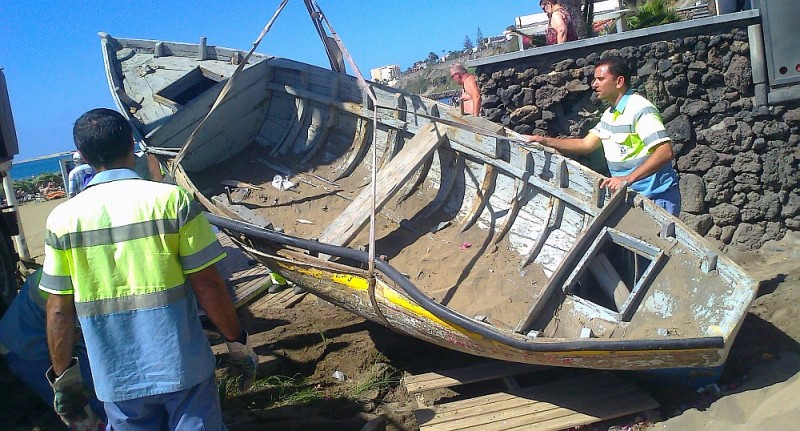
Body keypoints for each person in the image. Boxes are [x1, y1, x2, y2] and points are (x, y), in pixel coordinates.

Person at [41, 108, 258, 430]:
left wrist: (64, 379)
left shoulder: (62, 219)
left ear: (83, 156)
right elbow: (208, 285)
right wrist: (236, 342)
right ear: (132, 144)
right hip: (183, 366)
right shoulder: (173, 201)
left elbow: (59, 309)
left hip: (117, 377)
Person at [524, 56, 681, 215]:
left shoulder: (640, 110)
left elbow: (665, 152)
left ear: (619, 82)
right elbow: (586, 145)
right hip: (632, 199)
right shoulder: (609, 115)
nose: (594, 84)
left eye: (600, 79)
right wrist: (544, 141)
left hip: (657, 199)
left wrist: (627, 178)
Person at [0, 269, 106, 427]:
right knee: (86, 409)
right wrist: (66, 384)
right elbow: (64, 334)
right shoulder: (80, 284)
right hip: (25, 349)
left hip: (32, 331)